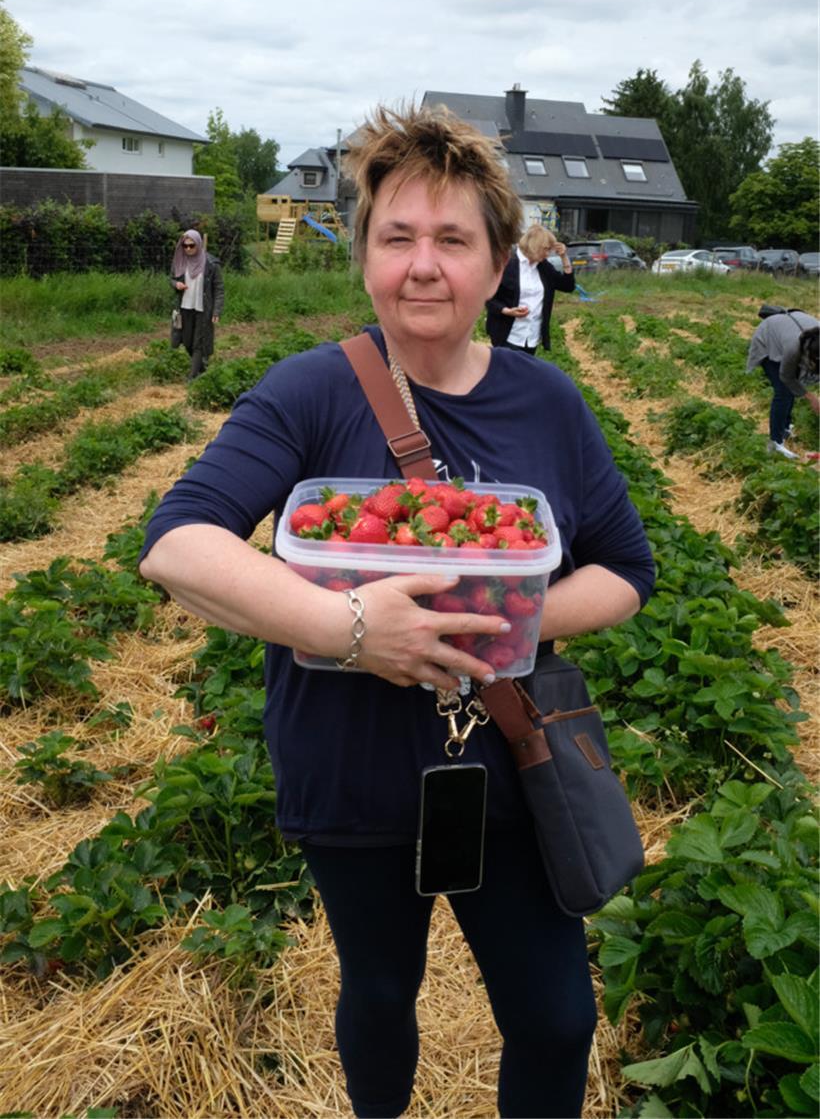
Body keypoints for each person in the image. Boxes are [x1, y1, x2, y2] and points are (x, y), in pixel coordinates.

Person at [140, 105, 655, 1119]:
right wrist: (354, 630)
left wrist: (503, 613)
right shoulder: (307, 394)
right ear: (365, 254)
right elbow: (178, 544)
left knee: (555, 1018)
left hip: (507, 767)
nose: (424, 265)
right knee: (380, 993)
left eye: (453, 238)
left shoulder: (548, 404)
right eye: (398, 237)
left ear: (500, 259)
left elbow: (627, 571)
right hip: (353, 768)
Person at [484, 223, 575, 353]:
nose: (548, 254)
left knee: (524, 372)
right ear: (535, 246)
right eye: (546, 249)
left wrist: (564, 258)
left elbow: (568, 286)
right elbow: (488, 296)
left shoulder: (543, 267)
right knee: (509, 372)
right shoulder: (506, 264)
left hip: (531, 337)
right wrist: (506, 311)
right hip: (508, 335)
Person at [746, 309, 819, 457]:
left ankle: (785, 428)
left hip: (787, 329)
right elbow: (787, 377)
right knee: (784, 390)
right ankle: (775, 443)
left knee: (792, 387)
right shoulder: (794, 349)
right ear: (811, 355)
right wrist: (812, 398)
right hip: (768, 338)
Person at [170, 228, 224, 378]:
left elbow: (219, 289)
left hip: (203, 309)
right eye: (185, 246)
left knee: (198, 343)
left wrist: (216, 311)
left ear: (198, 244)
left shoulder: (211, 264)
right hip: (185, 308)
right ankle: (202, 368)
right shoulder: (180, 261)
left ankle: (192, 377)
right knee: (186, 342)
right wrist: (176, 285)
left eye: (191, 245)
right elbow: (171, 279)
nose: (188, 249)